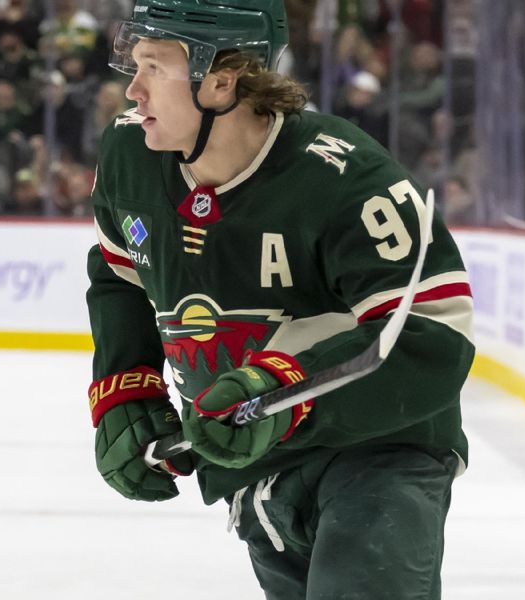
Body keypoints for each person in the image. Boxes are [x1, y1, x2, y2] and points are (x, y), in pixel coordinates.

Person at [85, 1, 475, 598]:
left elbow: (434, 336)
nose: (133, 90)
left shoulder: (344, 178)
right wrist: (126, 385)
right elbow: (121, 274)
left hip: (377, 447)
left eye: (155, 68)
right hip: (252, 458)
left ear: (221, 78)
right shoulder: (129, 158)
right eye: (134, 64)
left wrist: (286, 391)